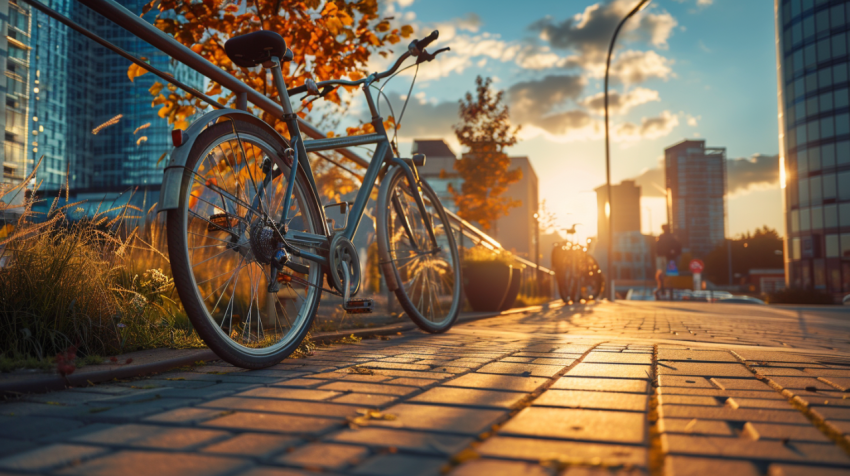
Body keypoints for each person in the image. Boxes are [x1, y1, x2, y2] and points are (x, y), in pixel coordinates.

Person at [655, 224, 682, 300]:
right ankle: (664, 290)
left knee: (664, 275)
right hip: (670, 259)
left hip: (666, 258)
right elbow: (678, 248)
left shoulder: (663, 237)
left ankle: (663, 289)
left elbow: (657, 249)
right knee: (669, 275)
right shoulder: (672, 237)